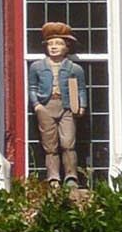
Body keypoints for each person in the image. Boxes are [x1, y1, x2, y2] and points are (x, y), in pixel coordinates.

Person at [27, 21, 89, 188]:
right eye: (50, 44)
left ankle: (71, 176)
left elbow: (81, 89)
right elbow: (32, 87)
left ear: (67, 47)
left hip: (66, 107)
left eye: (59, 43)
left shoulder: (74, 68)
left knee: (68, 142)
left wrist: (81, 105)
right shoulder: (37, 67)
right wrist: (37, 105)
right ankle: (53, 176)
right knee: (50, 145)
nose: (54, 47)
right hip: (46, 106)